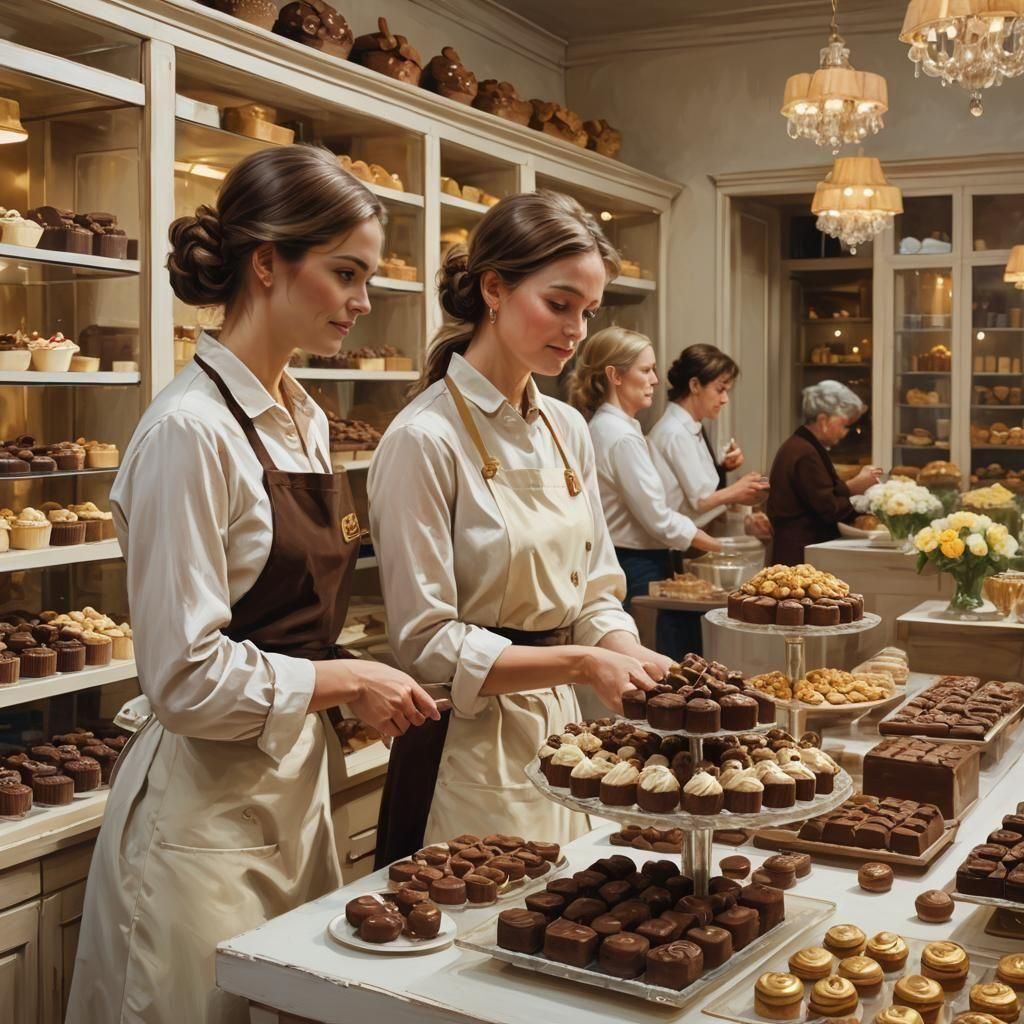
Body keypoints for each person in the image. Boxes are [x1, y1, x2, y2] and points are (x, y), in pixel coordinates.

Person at [66, 146, 438, 1024]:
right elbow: (185, 676)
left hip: (292, 792)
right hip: (199, 817)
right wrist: (348, 679)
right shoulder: (190, 434)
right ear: (267, 262)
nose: (362, 300)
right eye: (345, 272)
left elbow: (286, 622)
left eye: (369, 277)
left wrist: (343, 695)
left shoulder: (302, 418)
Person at [368, 191, 671, 864]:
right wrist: (587, 662)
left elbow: (594, 590)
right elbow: (425, 642)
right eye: (559, 304)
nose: (575, 329)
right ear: (495, 289)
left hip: (563, 735)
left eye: (588, 312)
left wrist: (629, 651)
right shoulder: (424, 437)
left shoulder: (566, 428)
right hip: (461, 752)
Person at [568, 327, 721, 658]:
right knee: (652, 662)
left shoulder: (616, 427)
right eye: (646, 369)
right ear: (615, 376)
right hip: (634, 563)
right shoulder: (618, 435)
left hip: (634, 558)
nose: (654, 379)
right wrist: (708, 542)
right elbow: (655, 515)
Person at [648, 343, 770, 535]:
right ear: (695, 385)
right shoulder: (674, 432)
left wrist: (723, 468)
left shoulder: (690, 425)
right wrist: (737, 490)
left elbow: (699, 487)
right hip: (680, 540)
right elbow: (700, 501)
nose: (724, 399)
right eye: (720, 390)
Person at [767, 379, 882, 564]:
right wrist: (858, 493)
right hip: (799, 554)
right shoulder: (805, 452)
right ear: (823, 420)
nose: (845, 433)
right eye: (844, 425)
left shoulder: (802, 446)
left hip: (797, 549)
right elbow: (829, 508)